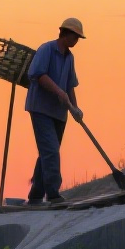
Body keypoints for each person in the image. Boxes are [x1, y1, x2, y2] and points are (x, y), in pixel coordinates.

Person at [24, 17, 84, 206]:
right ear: (65, 34)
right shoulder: (46, 50)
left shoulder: (69, 57)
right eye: (75, 37)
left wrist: (75, 108)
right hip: (41, 109)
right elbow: (38, 75)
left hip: (59, 112)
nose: (76, 41)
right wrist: (58, 91)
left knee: (48, 152)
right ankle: (53, 193)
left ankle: (35, 194)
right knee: (50, 150)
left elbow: (70, 85)